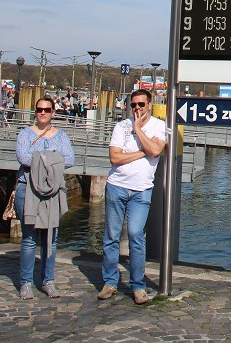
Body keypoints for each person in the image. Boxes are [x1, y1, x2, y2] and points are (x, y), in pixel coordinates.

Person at [98, 88, 167, 304]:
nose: (137, 109)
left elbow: (156, 151)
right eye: (133, 105)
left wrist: (138, 129)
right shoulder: (121, 126)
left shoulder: (159, 126)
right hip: (116, 186)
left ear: (150, 105)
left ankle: (138, 285)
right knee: (111, 236)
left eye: (141, 105)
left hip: (142, 189)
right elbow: (114, 158)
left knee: (136, 235)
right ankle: (110, 281)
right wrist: (142, 151)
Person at [14, 96, 74, 299]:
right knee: (29, 239)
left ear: (53, 112)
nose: (42, 113)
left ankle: (48, 281)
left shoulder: (61, 135)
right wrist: (52, 158)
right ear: (35, 111)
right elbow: (23, 157)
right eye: (39, 109)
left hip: (53, 191)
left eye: (47, 110)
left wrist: (39, 158)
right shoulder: (24, 134)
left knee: (51, 239)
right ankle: (26, 283)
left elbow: (70, 159)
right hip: (27, 188)